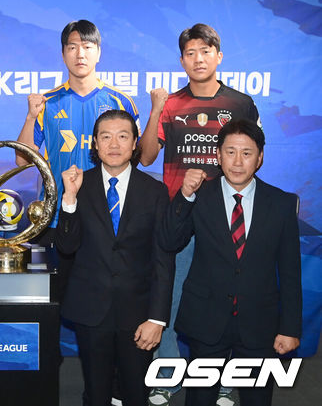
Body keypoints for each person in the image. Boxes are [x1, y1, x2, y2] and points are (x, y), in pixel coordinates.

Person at [137, 23, 261, 406]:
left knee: (224, 301)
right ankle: (168, 375)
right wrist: (155, 109)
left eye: (205, 51)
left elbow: (253, 157)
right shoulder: (171, 104)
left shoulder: (241, 104)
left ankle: (221, 379)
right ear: (181, 61)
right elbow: (146, 157)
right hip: (179, 217)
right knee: (170, 300)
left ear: (218, 56)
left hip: (227, 220)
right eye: (190, 53)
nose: (198, 59)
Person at [159, 119, 301, 406]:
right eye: (230, 152)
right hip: (206, 319)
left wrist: (290, 327)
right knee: (200, 398)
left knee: (257, 398)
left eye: (247, 153)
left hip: (259, 322)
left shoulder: (281, 203)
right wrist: (185, 196)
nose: (238, 162)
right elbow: (169, 241)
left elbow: (290, 272)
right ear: (218, 156)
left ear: (260, 158)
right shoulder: (198, 196)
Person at [15, 19, 140, 302]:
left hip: (108, 219)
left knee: (102, 303)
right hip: (57, 218)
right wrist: (31, 117)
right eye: (72, 47)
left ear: (99, 52)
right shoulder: (46, 102)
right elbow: (22, 159)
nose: (80, 54)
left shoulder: (121, 101)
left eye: (87, 46)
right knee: (54, 302)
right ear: (63, 54)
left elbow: (140, 157)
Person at [55, 110, 173, 406]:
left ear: (134, 143)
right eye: (106, 137)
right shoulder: (78, 185)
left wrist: (157, 318)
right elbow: (66, 247)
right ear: (94, 143)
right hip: (91, 311)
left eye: (123, 136)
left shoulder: (155, 191)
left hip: (139, 314)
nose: (114, 144)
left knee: (135, 394)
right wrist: (69, 199)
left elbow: (163, 259)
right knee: (96, 393)